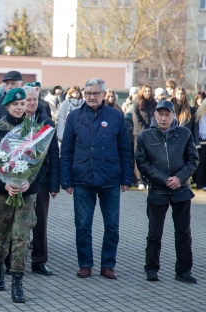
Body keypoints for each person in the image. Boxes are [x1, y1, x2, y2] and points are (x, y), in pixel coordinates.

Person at [60, 78, 132, 280]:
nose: (92, 97)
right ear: (84, 94)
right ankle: (85, 264)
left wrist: (127, 177)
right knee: (82, 225)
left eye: (96, 93)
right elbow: (66, 151)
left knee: (112, 225)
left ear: (103, 94)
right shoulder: (74, 117)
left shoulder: (116, 116)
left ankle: (108, 265)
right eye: (88, 93)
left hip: (110, 179)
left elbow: (125, 150)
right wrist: (66, 180)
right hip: (82, 179)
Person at [0, 88, 41, 303]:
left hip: (26, 192)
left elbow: (40, 161)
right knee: (1, 234)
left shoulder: (33, 130)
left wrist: (29, 180)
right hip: (2, 192)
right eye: (15, 104)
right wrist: (4, 183)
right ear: (7, 106)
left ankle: (17, 280)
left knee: (21, 237)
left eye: (22, 104)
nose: (19, 107)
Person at [135, 99, 199, 283]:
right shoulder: (145, 136)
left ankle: (184, 271)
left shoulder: (185, 134)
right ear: (155, 115)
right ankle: (151, 269)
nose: (163, 118)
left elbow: (193, 160)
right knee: (154, 232)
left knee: (183, 232)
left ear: (173, 116)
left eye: (167, 114)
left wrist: (179, 178)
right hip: (157, 190)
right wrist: (164, 179)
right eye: (160, 114)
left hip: (181, 189)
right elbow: (143, 163)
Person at [23, 86, 60, 276]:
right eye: (28, 100)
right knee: (18, 222)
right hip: (18, 180)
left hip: (41, 180)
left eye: (34, 100)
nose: (31, 103)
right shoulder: (15, 121)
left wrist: (55, 184)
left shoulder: (46, 123)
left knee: (40, 223)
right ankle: (16, 260)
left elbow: (54, 154)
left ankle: (39, 261)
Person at [132, 84, 157, 190]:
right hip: (139, 134)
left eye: (149, 91)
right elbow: (136, 118)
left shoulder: (154, 104)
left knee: (150, 157)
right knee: (139, 156)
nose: (147, 93)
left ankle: (148, 179)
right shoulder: (137, 103)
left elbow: (156, 117)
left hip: (151, 133)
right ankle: (140, 180)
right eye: (145, 91)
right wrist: (143, 130)